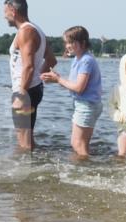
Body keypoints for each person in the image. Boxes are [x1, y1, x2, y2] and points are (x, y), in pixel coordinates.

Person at [4, 0, 57, 151]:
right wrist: (37, 80)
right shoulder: (36, 29)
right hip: (32, 89)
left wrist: (21, 94)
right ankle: (38, 168)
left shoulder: (26, 32)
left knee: (24, 142)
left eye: (5, 12)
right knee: (28, 140)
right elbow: (52, 60)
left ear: (13, 11)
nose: (3, 16)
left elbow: (28, 67)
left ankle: (26, 171)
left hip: (26, 91)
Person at [41, 26, 102, 158]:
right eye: (66, 42)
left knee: (79, 145)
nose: (67, 46)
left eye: (70, 42)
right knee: (77, 144)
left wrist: (58, 79)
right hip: (84, 104)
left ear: (83, 43)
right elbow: (72, 84)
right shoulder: (78, 59)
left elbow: (79, 88)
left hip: (87, 105)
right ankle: (84, 168)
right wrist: (55, 79)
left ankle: (86, 171)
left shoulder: (86, 60)